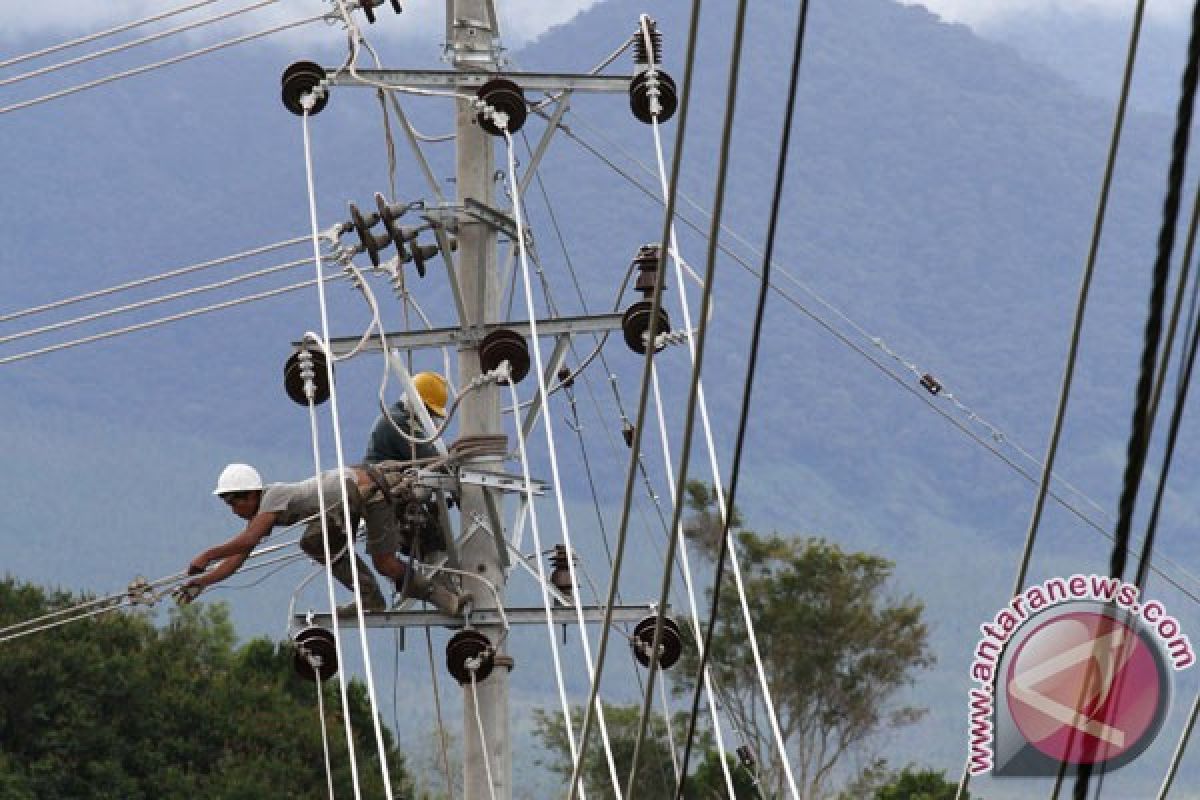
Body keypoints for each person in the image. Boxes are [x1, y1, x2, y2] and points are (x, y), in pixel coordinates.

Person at [176, 462, 470, 615]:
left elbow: (246, 540)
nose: (234, 510)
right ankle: (372, 599)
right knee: (366, 557)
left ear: (252, 494)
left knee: (381, 562)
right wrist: (203, 582)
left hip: (364, 492)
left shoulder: (272, 497)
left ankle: (441, 598)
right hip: (348, 500)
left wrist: (206, 555)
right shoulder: (262, 513)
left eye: (235, 502)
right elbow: (237, 558)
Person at [364, 370, 448, 464]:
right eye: (430, 411)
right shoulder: (399, 423)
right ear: (416, 403)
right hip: (384, 475)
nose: (431, 417)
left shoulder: (395, 416)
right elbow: (431, 458)